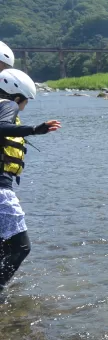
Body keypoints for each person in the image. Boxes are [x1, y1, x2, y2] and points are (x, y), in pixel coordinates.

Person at [0, 68, 61, 291]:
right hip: (0, 188)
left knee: (4, 246)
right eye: (25, 102)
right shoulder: (8, 104)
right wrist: (35, 129)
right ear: (17, 97)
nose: (23, 108)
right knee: (20, 247)